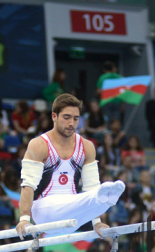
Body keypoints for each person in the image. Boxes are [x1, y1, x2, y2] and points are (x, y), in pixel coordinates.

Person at [15, 94, 124, 239]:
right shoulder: (40, 145)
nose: (71, 123)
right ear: (54, 116)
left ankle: (106, 200)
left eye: (76, 118)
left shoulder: (87, 146)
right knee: (93, 196)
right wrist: (24, 219)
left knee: (92, 193)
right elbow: (28, 185)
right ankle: (105, 200)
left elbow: (91, 186)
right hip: (43, 212)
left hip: (73, 219)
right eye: (66, 117)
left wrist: (97, 222)